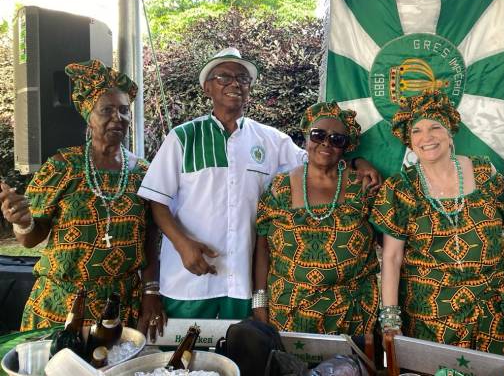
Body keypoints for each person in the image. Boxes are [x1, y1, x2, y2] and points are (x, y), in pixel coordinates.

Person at [137, 48, 381, 320]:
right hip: (188, 280)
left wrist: (358, 162)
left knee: (240, 358)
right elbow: (156, 201)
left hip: (241, 281)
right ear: (207, 88)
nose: (235, 84)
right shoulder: (183, 138)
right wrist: (182, 244)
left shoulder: (270, 140)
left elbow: (319, 158)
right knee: (185, 359)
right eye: (223, 77)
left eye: (243, 78)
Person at [0, 59, 165, 340]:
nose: (118, 118)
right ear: (89, 115)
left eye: (124, 110)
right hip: (61, 304)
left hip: (120, 306)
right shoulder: (62, 166)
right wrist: (23, 223)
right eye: (107, 110)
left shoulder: (142, 172)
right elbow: (30, 239)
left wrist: (151, 292)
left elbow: (150, 235)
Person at [371, 89, 504, 356]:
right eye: (416, 131)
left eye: (435, 127)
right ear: (409, 141)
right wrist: (391, 320)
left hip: (490, 313)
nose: (426, 137)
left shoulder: (485, 173)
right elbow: (392, 257)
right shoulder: (401, 188)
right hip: (430, 316)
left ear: (450, 133)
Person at [252, 101, 380, 334]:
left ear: (345, 147)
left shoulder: (362, 186)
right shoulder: (280, 187)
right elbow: (262, 246)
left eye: (336, 139)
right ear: (306, 138)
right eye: (318, 135)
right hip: (288, 311)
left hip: (352, 314)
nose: (326, 143)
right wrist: (259, 302)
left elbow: (388, 242)